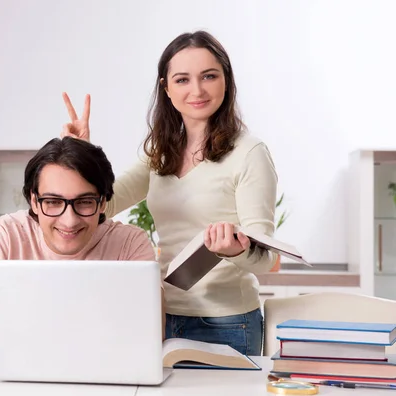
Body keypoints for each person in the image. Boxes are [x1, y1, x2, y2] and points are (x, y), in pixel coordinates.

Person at [60, 30, 278, 356]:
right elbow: (103, 204)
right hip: (161, 316)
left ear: (226, 81)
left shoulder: (249, 153)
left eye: (209, 76)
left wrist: (234, 250)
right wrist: (81, 154)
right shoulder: (159, 154)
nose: (197, 90)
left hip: (228, 323)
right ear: (166, 88)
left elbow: (269, 259)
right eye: (182, 80)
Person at [0, 137, 162, 351]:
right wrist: (44, 345)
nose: (69, 220)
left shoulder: (130, 244)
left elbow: (152, 329)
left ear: (103, 202)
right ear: (34, 201)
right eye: (53, 202)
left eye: (84, 202)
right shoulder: (1, 235)